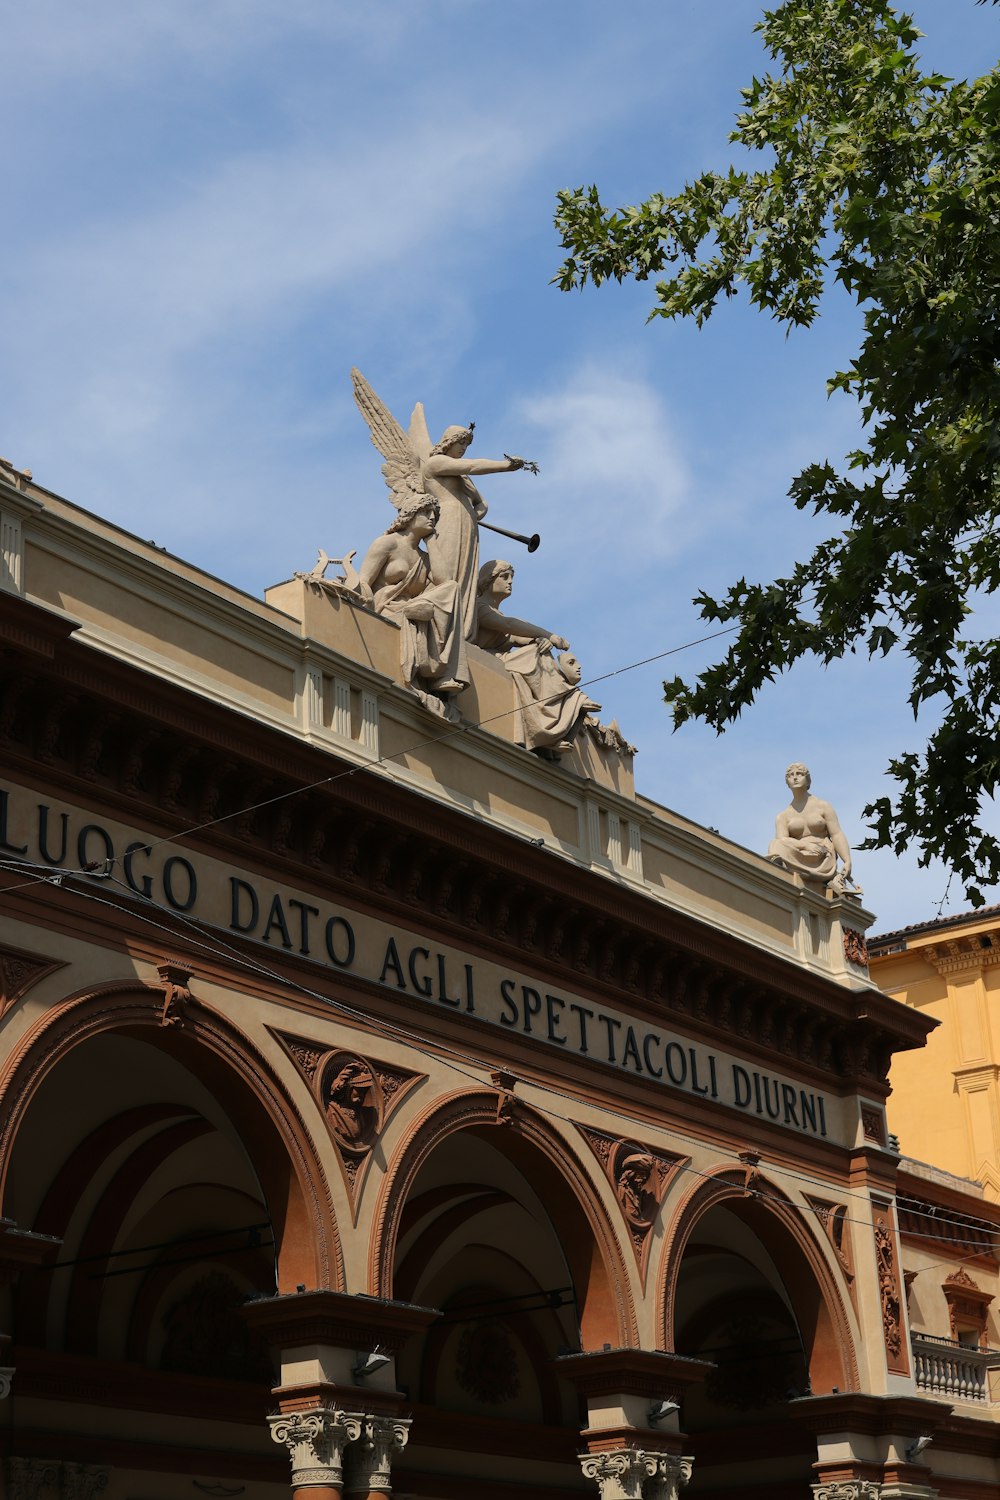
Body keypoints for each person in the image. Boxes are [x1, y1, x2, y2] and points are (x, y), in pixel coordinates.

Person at [475, 559, 599, 757]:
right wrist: (550, 635)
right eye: (504, 577)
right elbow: (508, 625)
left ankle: (552, 725)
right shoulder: (480, 608)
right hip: (488, 659)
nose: (510, 582)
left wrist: (540, 640)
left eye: (512, 578)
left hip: (502, 659)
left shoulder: (497, 612)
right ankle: (557, 716)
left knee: (538, 650)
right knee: (533, 656)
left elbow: (517, 635)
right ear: (488, 581)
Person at [359, 496, 468, 707]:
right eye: (427, 512)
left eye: (435, 514)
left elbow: (444, 582)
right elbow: (364, 580)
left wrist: (432, 543)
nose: (432, 517)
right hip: (387, 606)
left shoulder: (423, 557)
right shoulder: (387, 543)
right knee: (429, 603)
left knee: (452, 588)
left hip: (415, 608)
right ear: (411, 514)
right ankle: (435, 669)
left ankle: (443, 675)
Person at [421, 428, 525, 641]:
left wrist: (469, 514)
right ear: (448, 442)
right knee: (447, 574)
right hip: (448, 521)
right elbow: (472, 464)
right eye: (461, 443)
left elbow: (482, 505)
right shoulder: (435, 463)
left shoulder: (461, 476)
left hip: (466, 527)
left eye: (467, 445)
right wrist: (506, 465)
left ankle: (458, 630)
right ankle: (434, 625)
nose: (463, 449)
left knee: (465, 578)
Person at [767, 763, 858, 895]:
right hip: (799, 853)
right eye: (791, 775)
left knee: (778, 846)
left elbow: (836, 834)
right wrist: (805, 846)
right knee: (775, 844)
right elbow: (782, 840)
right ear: (787, 783)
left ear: (808, 780)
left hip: (822, 855)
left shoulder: (823, 806)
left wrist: (847, 860)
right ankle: (780, 869)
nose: (795, 778)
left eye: (799, 774)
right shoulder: (783, 816)